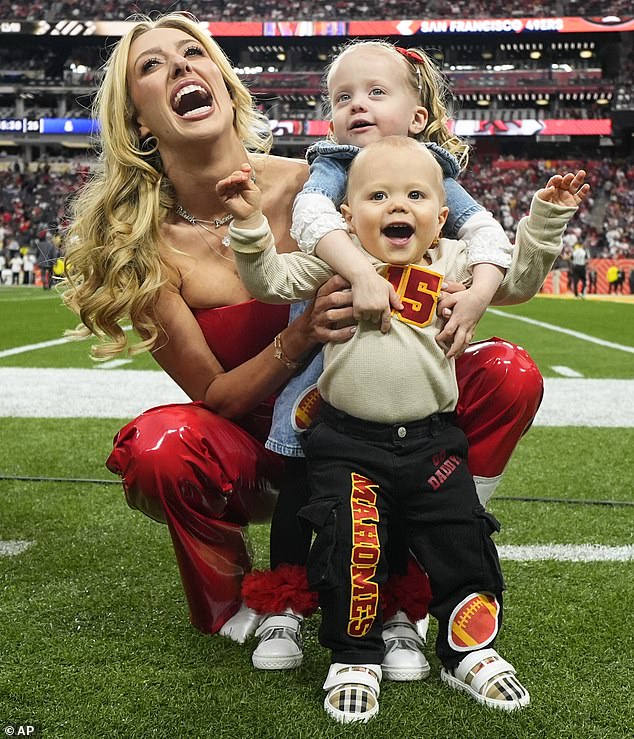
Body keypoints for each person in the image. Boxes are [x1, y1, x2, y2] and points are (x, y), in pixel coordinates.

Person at [61, 13, 546, 671]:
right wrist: (298, 336)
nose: (179, 68)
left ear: (225, 86)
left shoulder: (334, 177)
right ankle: (246, 601)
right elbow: (211, 395)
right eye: (151, 65)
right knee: (159, 449)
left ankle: (423, 567)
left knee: (511, 371)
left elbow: (447, 234)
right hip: (260, 457)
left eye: (192, 53)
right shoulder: (142, 249)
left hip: (369, 430)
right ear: (140, 119)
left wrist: (470, 288)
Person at [218, 136, 589, 721]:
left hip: (431, 439)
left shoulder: (456, 263)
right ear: (346, 216)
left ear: (441, 217)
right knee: (349, 547)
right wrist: (248, 224)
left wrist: (544, 220)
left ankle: (468, 648)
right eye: (378, 195)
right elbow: (267, 279)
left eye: (415, 195)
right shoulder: (334, 262)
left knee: (462, 540)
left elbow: (517, 282)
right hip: (346, 442)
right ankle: (355, 654)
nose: (398, 206)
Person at [238, 39, 533, 678]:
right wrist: (360, 275)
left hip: (405, 354)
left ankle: (397, 606)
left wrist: (478, 293)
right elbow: (314, 215)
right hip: (329, 343)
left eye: (376, 92)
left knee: (399, 492)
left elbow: (485, 234)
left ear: (419, 114)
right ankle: (288, 597)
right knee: (300, 466)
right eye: (343, 97)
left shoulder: (435, 175)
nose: (357, 106)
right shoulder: (337, 166)